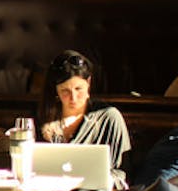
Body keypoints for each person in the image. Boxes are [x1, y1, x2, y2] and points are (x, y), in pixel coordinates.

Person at [39, 50, 131, 183]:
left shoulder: (109, 117)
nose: (73, 98)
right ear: (56, 90)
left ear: (88, 83)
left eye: (78, 89)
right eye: (65, 91)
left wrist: (106, 180)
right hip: (51, 187)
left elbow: (122, 172)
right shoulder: (43, 117)